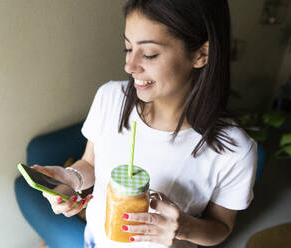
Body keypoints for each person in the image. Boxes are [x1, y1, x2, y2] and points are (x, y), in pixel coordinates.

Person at [32, 0, 258, 247]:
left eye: (149, 54)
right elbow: (90, 164)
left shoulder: (235, 149)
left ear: (202, 54)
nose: (129, 66)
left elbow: (222, 227)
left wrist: (185, 227)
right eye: (128, 48)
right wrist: (69, 179)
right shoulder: (110, 98)